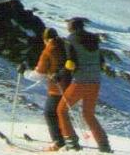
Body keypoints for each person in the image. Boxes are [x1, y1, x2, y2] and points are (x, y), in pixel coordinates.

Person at [56, 18, 111, 153]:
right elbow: (102, 63)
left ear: (72, 27)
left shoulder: (71, 40)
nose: (67, 26)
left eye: (68, 24)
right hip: (95, 82)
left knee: (61, 110)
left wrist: (58, 75)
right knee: (88, 114)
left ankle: (71, 144)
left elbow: (71, 63)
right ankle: (104, 146)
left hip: (80, 81)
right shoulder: (94, 40)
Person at [19, 28, 71, 151]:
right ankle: (67, 138)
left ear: (46, 39)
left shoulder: (48, 51)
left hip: (56, 86)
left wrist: (25, 72)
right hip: (70, 83)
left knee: (50, 113)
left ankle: (58, 142)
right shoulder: (65, 46)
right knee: (60, 113)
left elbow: (39, 74)